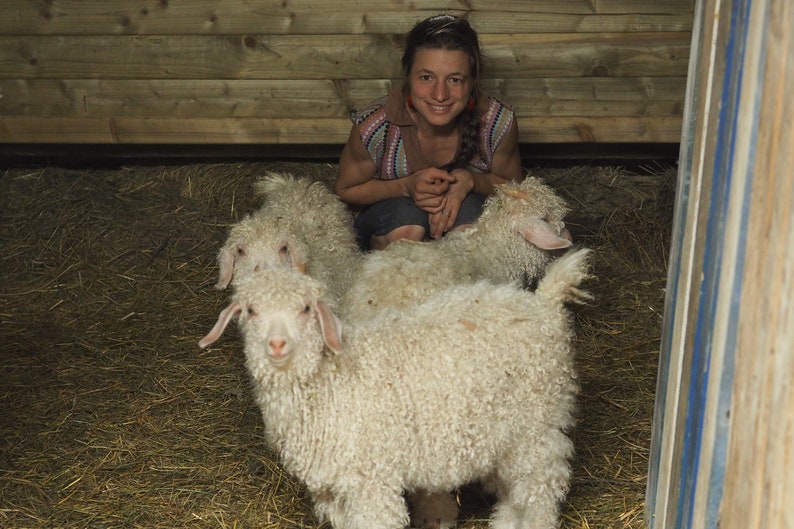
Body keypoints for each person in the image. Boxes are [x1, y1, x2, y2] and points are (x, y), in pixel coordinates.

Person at [334, 14, 523, 250]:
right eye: (426, 77)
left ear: (473, 81)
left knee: (471, 229)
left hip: (464, 217)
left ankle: (464, 278)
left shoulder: (498, 122)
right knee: (408, 226)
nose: (440, 95)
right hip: (389, 222)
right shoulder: (375, 125)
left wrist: (471, 181)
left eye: (454, 79)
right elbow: (345, 190)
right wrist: (404, 187)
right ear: (408, 77)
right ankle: (394, 280)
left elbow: (515, 188)